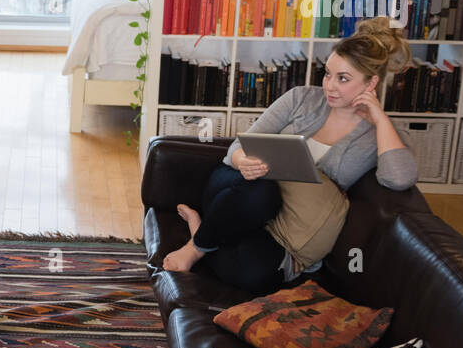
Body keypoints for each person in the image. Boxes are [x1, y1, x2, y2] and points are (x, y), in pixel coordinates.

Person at [161, 15, 419, 294]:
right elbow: (238, 147)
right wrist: (242, 162)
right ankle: (196, 247)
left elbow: (399, 179)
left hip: (283, 228)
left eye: (343, 79)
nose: (330, 86)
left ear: (371, 84)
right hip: (241, 193)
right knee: (262, 195)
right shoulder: (301, 98)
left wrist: (380, 120)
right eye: (328, 73)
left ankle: (203, 229)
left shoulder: (378, 135)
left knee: (254, 276)